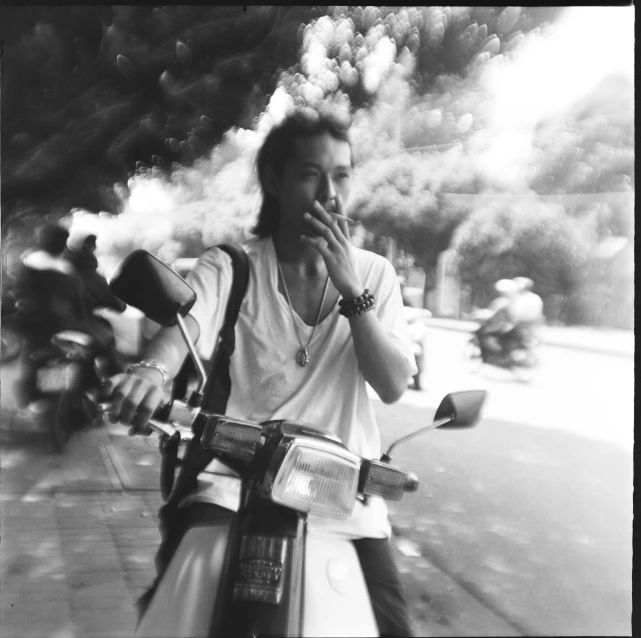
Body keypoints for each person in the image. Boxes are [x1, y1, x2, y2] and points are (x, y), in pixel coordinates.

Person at [104, 106, 417, 636]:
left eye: (341, 175)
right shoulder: (231, 266)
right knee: (179, 603)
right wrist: (150, 374)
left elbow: (391, 385)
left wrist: (350, 289)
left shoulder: (374, 275)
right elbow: (187, 327)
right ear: (274, 180)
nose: (330, 194)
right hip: (236, 480)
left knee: (392, 624)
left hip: (343, 496)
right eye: (309, 174)